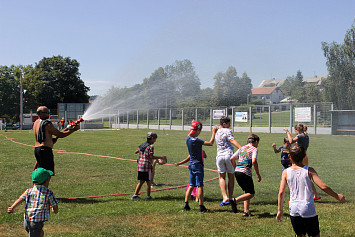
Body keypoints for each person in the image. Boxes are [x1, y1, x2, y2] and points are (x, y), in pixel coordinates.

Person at [276, 144, 345, 237]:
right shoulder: (309, 170)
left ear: (289, 156)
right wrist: (337, 196)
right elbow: (323, 186)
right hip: (307, 208)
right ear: (304, 156)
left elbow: (281, 192)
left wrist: (280, 210)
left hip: (294, 209)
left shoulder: (285, 172)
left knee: (300, 235)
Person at [8, 168, 59, 237]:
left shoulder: (29, 191)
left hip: (27, 221)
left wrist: (12, 207)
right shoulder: (48, 193)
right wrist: (55, 210)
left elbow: (20, 199)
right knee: (35, 233)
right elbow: (55, 205)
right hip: (37, 223)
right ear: (47, 180)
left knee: (40, 233)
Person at [33, 106, 80, 175]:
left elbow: (42, 136)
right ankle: (43, 186)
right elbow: (60, 134)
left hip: (37, 150)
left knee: (39, 173)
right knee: (47, 174)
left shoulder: (36, 123)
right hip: (45, 150)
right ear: (40, 113)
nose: (48, 114)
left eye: (48, 112)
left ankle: (37, 186)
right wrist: (73, 130)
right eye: (46, 112)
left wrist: (51, 140)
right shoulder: (47, 124)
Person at [183, 121, 217, 212]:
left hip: (191, 164)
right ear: (197, 130)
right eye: (199, 131)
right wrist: (214, 132)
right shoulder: (196, 141)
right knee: (200, 186)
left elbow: (191, 132)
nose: (199, 133)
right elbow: (210, 143)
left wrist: (194, 124)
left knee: (191, 184)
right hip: (198, 165)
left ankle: (186, 204)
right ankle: (201, 206)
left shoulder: (188, 138)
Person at [283, 123, 321, 200]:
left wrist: (288, 132)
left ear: (297, 130)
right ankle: (316, 194)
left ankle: (298, 196)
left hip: (299, 157)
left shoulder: (300, 136)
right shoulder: (306, 135)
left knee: (298, 175)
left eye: (295, 131)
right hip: (304, 156)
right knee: (306, 176)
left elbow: (291, 141)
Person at [230, 134, 261, 216]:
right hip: (245, 172)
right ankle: (235, 200)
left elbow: (232, 158)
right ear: (256, 141)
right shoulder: (254, 149)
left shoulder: (242, 148)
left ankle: (246, 211)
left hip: (237, 172)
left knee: (246, 192)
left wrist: (235, 168)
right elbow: (254, 161)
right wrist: (258, 174)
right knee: (251, 193)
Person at [215, 116, 241, 206]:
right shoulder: (227, 131)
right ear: (224, 124)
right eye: (229, 124)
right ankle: (230, 197)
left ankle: (224, 196)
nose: (230, 126)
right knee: (231, 177)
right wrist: (241, 149)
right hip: (228, 155)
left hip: (219, 156)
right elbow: (232, 140)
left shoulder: (217, 131)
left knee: (221, 177)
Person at [132, 132, 167, 200]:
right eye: (155, 139)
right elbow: (151, 157)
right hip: (146, 166)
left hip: (140, 166)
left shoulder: (142, 145)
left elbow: (136, 151)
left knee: (141, 181)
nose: (155, 141)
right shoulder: (150, 147)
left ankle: (135, 195)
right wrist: (161, 157)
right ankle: (148, 197)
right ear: (152, 138)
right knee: (148, 182)